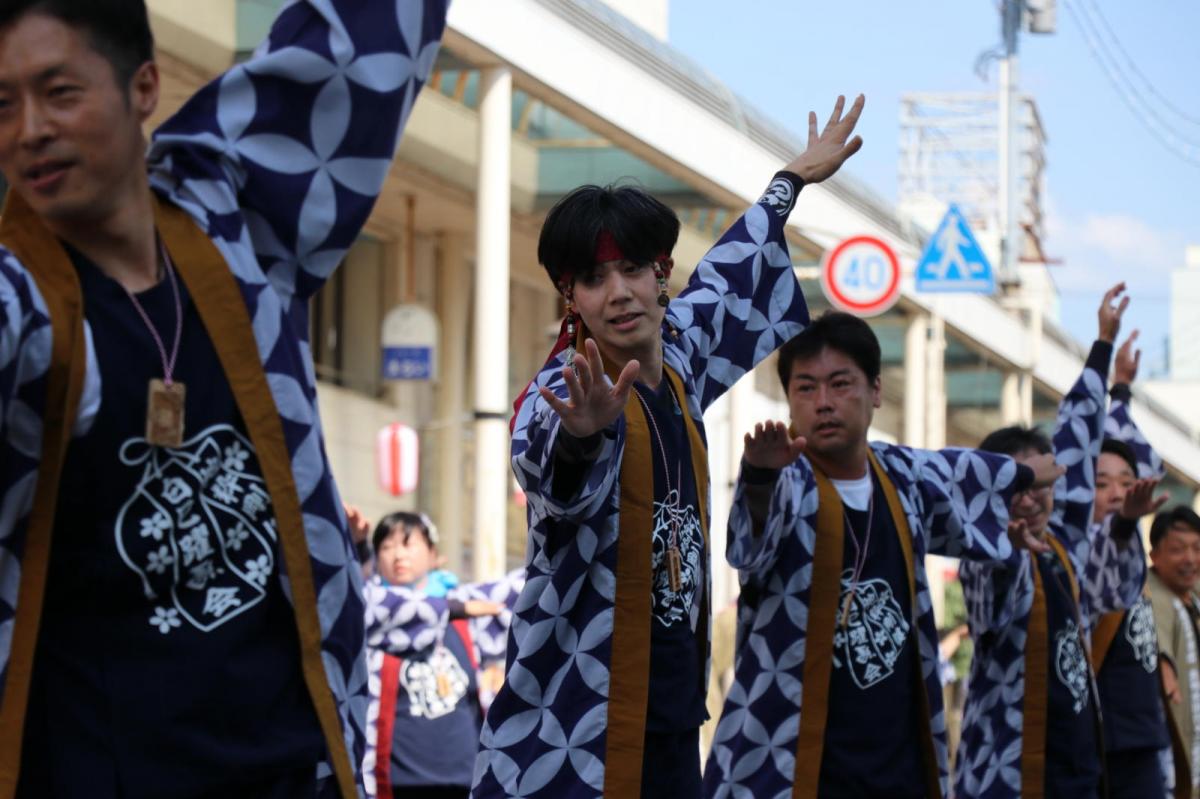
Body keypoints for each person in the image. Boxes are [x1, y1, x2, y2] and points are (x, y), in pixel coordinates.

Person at [0, 1, 447, 796]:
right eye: (2, 104)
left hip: (290, 766)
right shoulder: (18, 299)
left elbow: (366, 32)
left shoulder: (226, 213)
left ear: (144, 88)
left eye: (58, 92)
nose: (29, 128)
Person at [472, 96, 866, 799]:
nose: (617, 292)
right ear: (570, 298)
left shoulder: (680, 353)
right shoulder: (561, 391)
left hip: (675, 715)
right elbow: (547, 465)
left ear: (662, 273)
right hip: (574, 722)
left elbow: (731, 270)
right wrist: (581, 438)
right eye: (593, 278)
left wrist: (791, 181)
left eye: (631, 268)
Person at [701, 311, 1062, 799]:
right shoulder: (788, 478)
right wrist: (760, 478)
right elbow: (748, 548)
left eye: (840, 384)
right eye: (805, 388)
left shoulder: (902, 475)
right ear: (788, 400)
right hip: (788, 761)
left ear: (875, 391)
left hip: (898, 761)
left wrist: (1023, 477)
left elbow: (962, 472)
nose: (823, 402)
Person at [955, 285, 1149, 799]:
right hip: (1007, 771)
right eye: (1015, 484)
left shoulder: (1066, 546)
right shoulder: (983, 547)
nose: (1029, 498)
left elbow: (1080, 434)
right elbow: (987, 612)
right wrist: (1009, 552)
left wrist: (1103, 343)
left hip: (1077, 762)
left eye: (1038, 483)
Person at [356, 511, 521, 799]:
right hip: (394, 784)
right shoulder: (369, 616)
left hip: (466, 779)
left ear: (434, 555)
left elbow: (525, 586)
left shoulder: (468, 607)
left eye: (408, 544)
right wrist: (357, 547)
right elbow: (349, 593)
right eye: (387, 546)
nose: (398, 555)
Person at [1088, 333, 1179, 799]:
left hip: (1142, 733)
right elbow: (1112, 539)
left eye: (1126, 482)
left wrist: (1120, 391)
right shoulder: (1074, 551)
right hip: (1096, 737)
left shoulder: (1132, 557)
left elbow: (1147, 466)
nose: (1119, 490)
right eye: (1101, 482)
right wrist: (1125, 522)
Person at [1149, 506, 1200, 799]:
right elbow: (1157, 633)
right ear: (1154, 555)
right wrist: (1163, 664)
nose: (1190, 559)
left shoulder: (1189, 595)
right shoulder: (1154, 593)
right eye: (1178, 550)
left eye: (1197, 548)